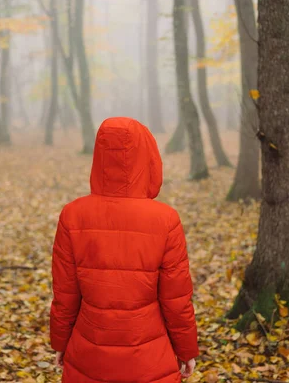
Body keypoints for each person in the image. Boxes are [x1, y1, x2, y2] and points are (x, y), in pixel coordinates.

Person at [50, 117, 198, 382]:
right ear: (147, 156)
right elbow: (176, 299)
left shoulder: (73, 215)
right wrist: (186, 349)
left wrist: (61, 342)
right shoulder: (165, 219)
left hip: (88, 353)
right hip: (150, 359)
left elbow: (65, 293)